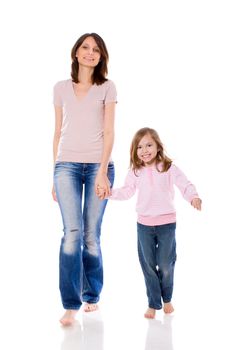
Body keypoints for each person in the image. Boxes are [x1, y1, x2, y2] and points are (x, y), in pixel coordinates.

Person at [52, 33, 117, 326]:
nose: (90, 53)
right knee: (71, 234)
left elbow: (110, 131)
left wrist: (103, 171)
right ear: (76, 53)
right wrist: (55, 173)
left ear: (101, 56)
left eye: (96, 50)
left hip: (97, 167)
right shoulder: (61, 88)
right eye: (85, 48)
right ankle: (70, 303)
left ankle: (91, 294)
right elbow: (57, 132)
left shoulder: (107, 87)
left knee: (91, 235)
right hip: (65, 165)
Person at [105, 127, 202, 319]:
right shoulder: (135, 171)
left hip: (167, 224)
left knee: (165, 264)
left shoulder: (168, 168)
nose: (144, 150)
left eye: (149, 145)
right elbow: (126, 191)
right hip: (144, 225)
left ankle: (167, 299)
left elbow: (185, 184)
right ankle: (153, 303)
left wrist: (193, 197)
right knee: (148, 264)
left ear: (158, 146)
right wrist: (110, 193)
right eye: (139, 147)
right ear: (135, 151)